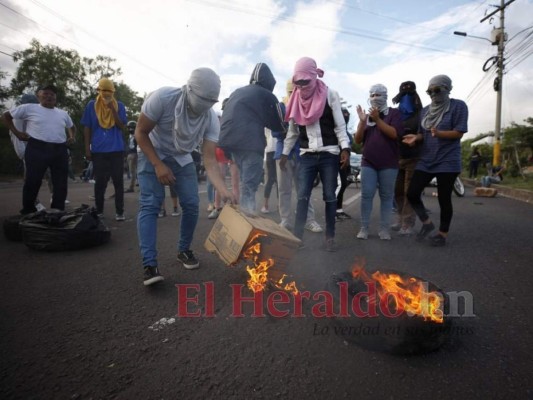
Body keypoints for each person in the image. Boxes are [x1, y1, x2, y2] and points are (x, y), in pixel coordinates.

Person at [135, 67, 235, 286]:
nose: (206, 104)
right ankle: (149, 265)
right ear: (189, 89)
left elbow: (209, 159)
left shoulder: (210, 118)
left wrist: (224, 190)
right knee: (150, 204)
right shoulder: (163, 98)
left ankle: (184, 250)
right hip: (153, 150)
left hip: (182, 156)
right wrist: (158, 164)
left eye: (211, 101)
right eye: (203, 99)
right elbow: (140, 133)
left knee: (191, 204)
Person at [280, 57, 350, 252]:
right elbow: (293, 132)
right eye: (298, 81)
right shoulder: (295, 99)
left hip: (329, 154)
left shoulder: (330, 95)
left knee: (329, 195)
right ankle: (297, 237)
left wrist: (345, 148)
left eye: (305, 80)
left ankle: (330, 237)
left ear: (313, 76)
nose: (302, 85)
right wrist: (285, 153)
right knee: (302, 196)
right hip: (307, 155)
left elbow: (340, 126)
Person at [404, 74, 468, 247]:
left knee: (444, 198)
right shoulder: (425, 111)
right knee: (412, 193)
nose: (433, 94)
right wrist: (415, 138)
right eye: (429, 91)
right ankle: (427, 223)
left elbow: (459, 132)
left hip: (448, 160)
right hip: (427, 159)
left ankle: (442, 233)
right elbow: (422, 134)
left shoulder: (458, 106)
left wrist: (439, 133)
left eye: (437, 90)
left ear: (447, 89)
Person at [218, 62, 285, 215]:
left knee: (244, 183)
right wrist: (284, 130)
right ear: (269, 82)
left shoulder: (237, 92)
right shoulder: (267, 95)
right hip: (251, 145)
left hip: (230, 144)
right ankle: (247, 225)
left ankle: (242, 221)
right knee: (249, 186)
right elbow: (277, 123)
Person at [2, 84, 76, 214]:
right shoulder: (28, 108)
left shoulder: (62, 113)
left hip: (59, 149)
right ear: (38, 96)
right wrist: (17, 133)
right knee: (33, 181)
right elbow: (6, 116)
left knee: (60, 182)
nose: (49, 96)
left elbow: (72, 126)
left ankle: (57, 209)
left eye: (52, 94)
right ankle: (28, 210)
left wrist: (71, 136)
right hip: (37, 147)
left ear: (55, 97)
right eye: (45, 93)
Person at [273, 79, 323, 233]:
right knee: (284, 189)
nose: (294, 95)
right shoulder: (280, 108)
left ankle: (309, 220)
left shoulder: (306, 106)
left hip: (302, 153)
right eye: (290, 92)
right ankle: (285, 220)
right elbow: (276, 132)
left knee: (304, 189)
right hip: (283, 154)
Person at [354, 84, 402, 241]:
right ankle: (364, 228)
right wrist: (362, 122)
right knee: (366, 195)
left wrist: (377, 120)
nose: (375, 98)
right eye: (372, 95)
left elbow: (394, 134)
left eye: (378, 95)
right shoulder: (367, 117)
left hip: (389, 163)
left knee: (387, 196)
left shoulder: (394, 114)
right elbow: (358, 140)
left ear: (385, 96)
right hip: (368, 162)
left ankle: (384, 229)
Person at [81, 78, 127, 221]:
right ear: (98, 91)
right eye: (104, 90)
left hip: (116, 150)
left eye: (109, 91)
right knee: (100, 182)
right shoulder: (91, 106)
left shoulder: (119, 105)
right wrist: (87, 149)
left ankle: (120, 212)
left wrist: (112, 109)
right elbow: (87, 128)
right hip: (98, 150)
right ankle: (99, 211)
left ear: (113, 92)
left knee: (118, 182)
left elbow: (121, 126)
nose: (106, 94)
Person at [390, 81, 423, 236]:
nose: (407, 98)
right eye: (404, 94)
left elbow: (427, 133)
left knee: (409, 191)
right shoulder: (395, 114)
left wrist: (417, 138)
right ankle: (399, 217)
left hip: (414, 157)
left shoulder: (422, 113)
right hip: (397, 158)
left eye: (410, 94)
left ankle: (407, 223)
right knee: (397, 191)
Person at [335, 107, 354, 220]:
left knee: (344, 184)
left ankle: (339, 210)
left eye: (347, 115)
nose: (346, 117)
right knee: (339, 185)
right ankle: (332, 211)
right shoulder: (336, 130)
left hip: (346, 162)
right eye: (344, 115)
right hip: (336, 161)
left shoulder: (346, 132)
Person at [125, 121, 138, 193]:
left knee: (132, 171)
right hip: (131, 153)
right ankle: (132, 186)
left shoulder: (135, 135)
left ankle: (131, 187)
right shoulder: (131, 136)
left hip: (133, 154)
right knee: (133, 171)